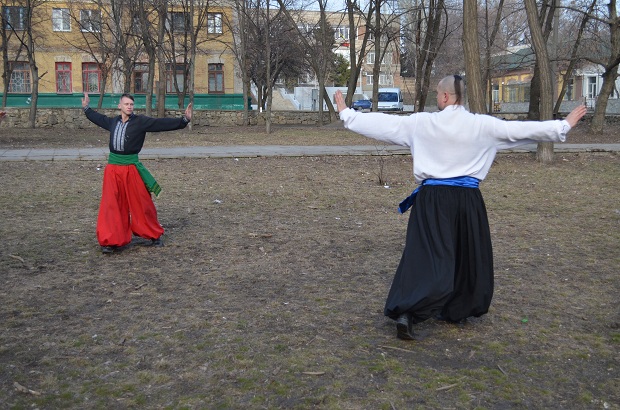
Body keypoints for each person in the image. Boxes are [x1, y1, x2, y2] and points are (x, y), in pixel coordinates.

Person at [334, 76, 587, 340]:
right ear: (462, 97)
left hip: (432, 199)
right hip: (467, 200)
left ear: (444, 97)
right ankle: (457, 308)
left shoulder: (422, 123)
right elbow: (520, 131)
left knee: (426, 254)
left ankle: (409, 311)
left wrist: (348, 115)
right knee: (467, 253)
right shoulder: (483, 125)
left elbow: (385, 124)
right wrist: (562, 126)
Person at [82, 92, 193, 254]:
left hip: (131, 168)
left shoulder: (141, 122)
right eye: (126, 104)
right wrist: (86, 108)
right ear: (119, 106)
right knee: (112, 205)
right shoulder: (113, 122)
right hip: (113, 170)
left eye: (131, 105)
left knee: (141, 202)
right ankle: (111, 240)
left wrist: (184, 121)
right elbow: (98, 118)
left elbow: (160, 124)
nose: (129, 107)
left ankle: (153, 235)